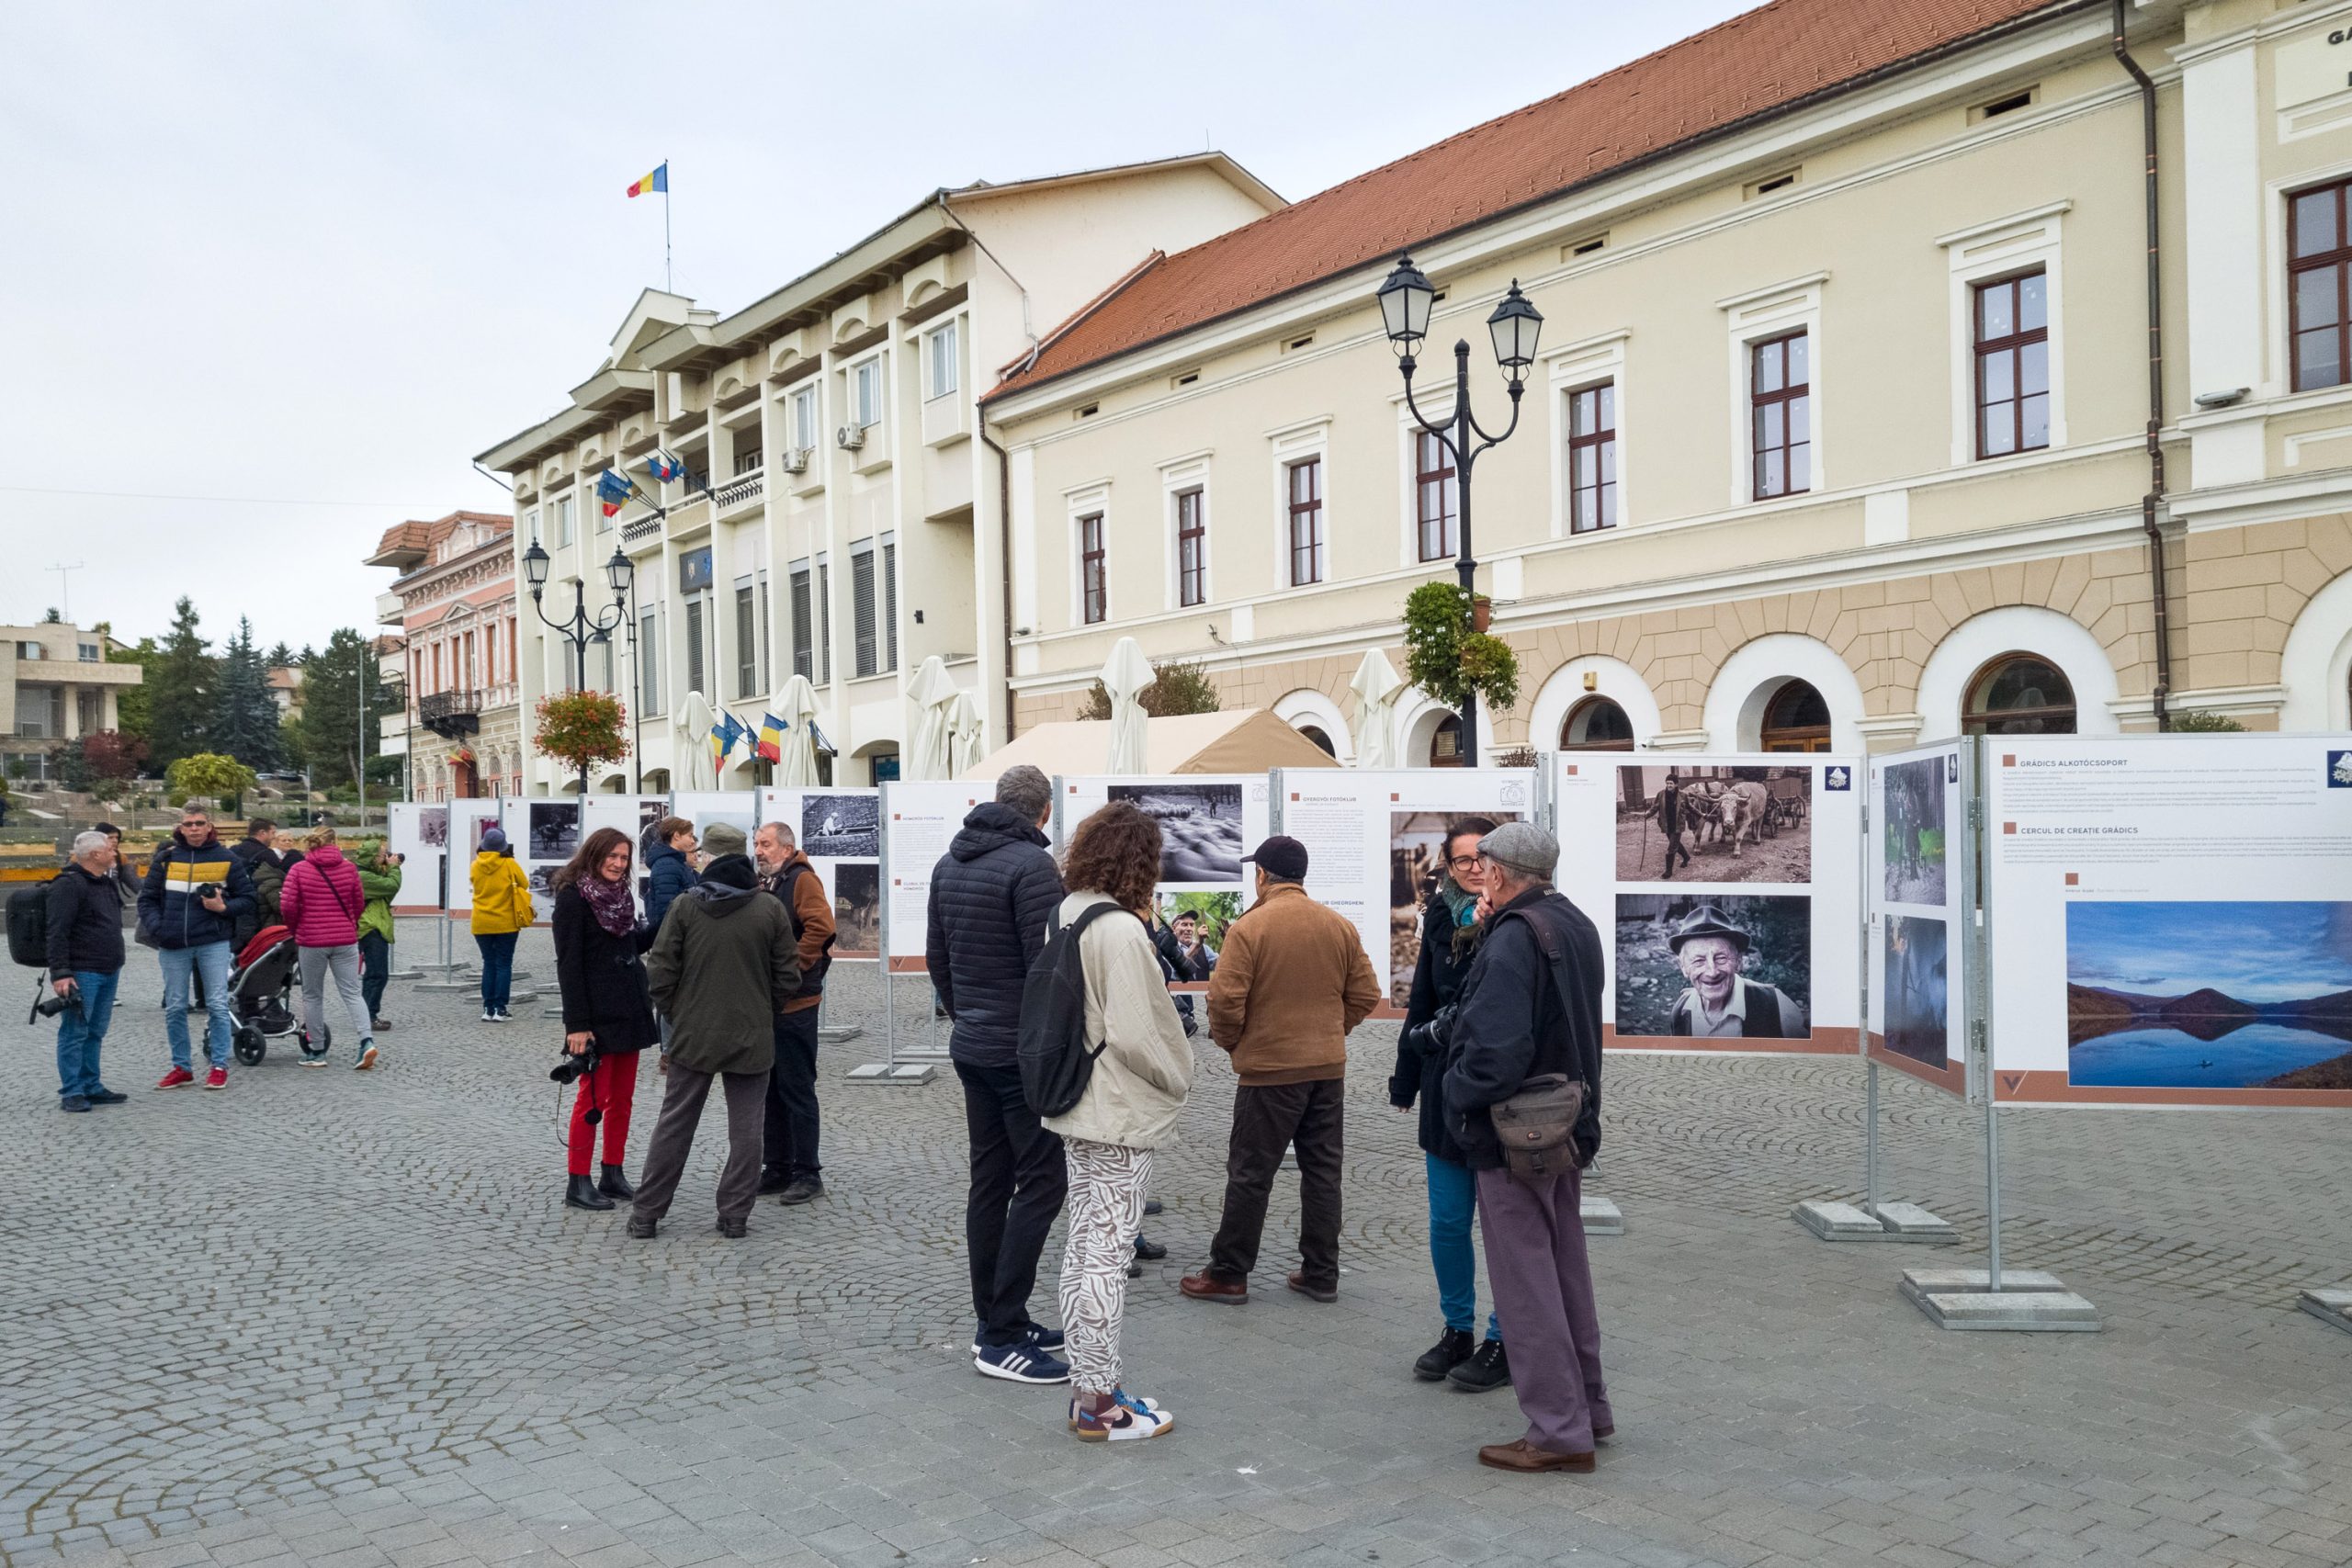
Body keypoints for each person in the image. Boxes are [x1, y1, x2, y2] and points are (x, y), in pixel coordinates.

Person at [1441, 822, 1611, 1475]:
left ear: (1502, 872)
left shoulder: (1517, 937)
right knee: (1565, 1271)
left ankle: (1560, 1429)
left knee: (1526, 1284)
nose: (1475, 870)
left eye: (1481, 863)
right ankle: (1588, 1410)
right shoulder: (1570, 922)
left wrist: (1456, 1091)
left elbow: (1494, 1050)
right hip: (1562, 1121)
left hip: (1516, 1132)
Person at [1043, 803, 1192, 1441]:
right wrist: (1179, 1075)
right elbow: (1139, 1033)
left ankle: (1088, 1385)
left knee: (1084, 1246)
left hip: (1078, 1099)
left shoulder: (1069, 909)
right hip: (1116, 1109)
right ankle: (1099, 1403)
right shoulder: (1123, 930)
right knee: (1104, 1252)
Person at [1182, 835, 1380, 1307]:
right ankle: (1321, 1273)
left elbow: (1224, 1001)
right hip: (1326, 1069)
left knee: (1251, 1173)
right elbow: (1367, 994)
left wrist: (1234, 1043)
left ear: (1263, 876)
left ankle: (1229, 1272)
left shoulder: (1250, 929)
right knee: (1323, 1172)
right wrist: (1332, 1031)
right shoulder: (1338, 925)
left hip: (1270, 1072)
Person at [926, 762, 1072, 1382]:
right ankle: (1001, 1330)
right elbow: (1048, 968)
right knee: (1042, 1181)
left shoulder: (949, 861)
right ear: (1042, 813)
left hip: (974, 1043)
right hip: (1017, 1051)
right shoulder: (1032, 866)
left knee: (990, 1179)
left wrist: (970, 1017)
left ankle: (997, 1313)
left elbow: (939, 959)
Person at [1393, 815, 1510, 1392]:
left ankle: (1504, 1336)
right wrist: (1405, 1075)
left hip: (1497, 1093)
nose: (1471, 870)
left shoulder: (1516, 919)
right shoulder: (1439, 915)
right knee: (1446, 1221)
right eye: (1461, 860)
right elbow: (1422, 998)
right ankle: (1456, 1328)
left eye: (1480, 860)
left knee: (1502, 1224)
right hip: (1444, 1086)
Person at [633, 841, 799, 1239]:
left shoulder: (686, 907)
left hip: (693, 1033)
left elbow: (659, 968)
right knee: (746, 1130)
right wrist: (764, 1010)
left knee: (674, 1124)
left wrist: (676, 1013)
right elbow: (788, 976)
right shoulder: (769, 908)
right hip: (751, 1033)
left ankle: (646, 1214)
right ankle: (735, 1215)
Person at [551, 828, 659, 1213]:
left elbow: (632, 943)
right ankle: (577, 1181)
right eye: (611, 856)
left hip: (629, 1008)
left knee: (623, 1100)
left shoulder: (621, 898)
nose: (618, 864)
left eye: (624, 858)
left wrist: (668, 920)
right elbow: (569, 965)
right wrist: (577, 1025)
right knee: (592, 1098)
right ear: (594, 856)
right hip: (595, 1016)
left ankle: (612, 1172)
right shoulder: (573, 899)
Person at [141, 805, 256, 1092]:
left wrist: (223, 907)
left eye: (199, 823)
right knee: (176, 1008)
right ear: (180, 827)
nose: (193, 828)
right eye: (188, 824)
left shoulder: (227, 858)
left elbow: (249, 899)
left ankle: (219, 1065)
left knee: (217, 1005)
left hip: (212, 942)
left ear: (209, 826)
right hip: (173, 944)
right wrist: (160, 928)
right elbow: (146, 900)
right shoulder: (166, 859)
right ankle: (182, 1067)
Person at [753, 820, 834, 1205]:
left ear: (787, 848)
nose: (759, 850)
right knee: (770, 1089)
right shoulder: (768, 882)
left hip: (797, 1003)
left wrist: (794, 967)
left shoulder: (802, 880)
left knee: (797, 1089)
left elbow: (821, 927)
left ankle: (807, 1173)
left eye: (766, 844)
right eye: (756, 843)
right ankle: (777, 1167)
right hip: (770, 1002)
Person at [279, 826, 379, 1070]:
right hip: (345, 939)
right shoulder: (349, 868)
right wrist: (348, 923)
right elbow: (358, 903)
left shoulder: (299, 869)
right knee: (353, 993)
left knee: (313, 995)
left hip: (312, 939)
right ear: (335, 843)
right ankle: (366, 1041)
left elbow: (288, 906)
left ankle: (317, 1051)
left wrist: (297, 928)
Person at [48, 829, 129, 1112]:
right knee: (75, 1032)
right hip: (82, 971)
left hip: (108, 967)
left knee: (95, 1031)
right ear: (94, 855)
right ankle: (72, 1090)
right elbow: (57, 931)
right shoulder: (68, 885)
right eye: (109, 849)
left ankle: (91, 1085)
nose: (113, 852)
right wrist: (60, 972)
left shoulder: (104, 882)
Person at [1665, 904, 1807, 1038]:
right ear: (1683, 967)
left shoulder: (1776, 1006)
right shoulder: (1681, 1010)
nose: (1712, 972)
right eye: (1698, 961)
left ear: (1738, 961)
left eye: (1721, 958)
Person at [469, 827, 533, 1022]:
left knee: (488, 963)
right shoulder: (509, 863)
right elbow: (525, 883)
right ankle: (500, 1009)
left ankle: (488, 1009)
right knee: (504, 964)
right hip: (505, 922)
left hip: (481, 921)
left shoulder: (475, 865)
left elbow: (474, 882)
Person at [231, 818, 299, 948]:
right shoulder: (267, 854)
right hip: (258, 908)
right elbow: (275, 879)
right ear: (262, 833)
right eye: (272, 833)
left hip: (235, 904)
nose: (273, 837)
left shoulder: (234, 850)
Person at [356, 841, 402, 1032]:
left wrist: (388, 867)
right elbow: (391, 887)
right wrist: (394, 868)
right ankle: (368, 1015)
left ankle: (366, 1013)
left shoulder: (369, 874)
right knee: (377, 973)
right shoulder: (363, 876)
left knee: (375, 973)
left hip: (373, 926)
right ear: (373, 857)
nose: (386, 857)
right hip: (370, 928)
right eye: (383, 854)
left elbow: (385, 895)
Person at [644, 817, 701, 932]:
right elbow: (666, 911)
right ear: (677, 836)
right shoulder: (667, 865)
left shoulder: (676, 863)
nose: (692, 841)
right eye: (689, 835)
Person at [1655, 772, 1691, 879]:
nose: (1669, 785)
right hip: (1666, 824)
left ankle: (1668, 871)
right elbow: (1655, 807)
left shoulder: (1683, 795)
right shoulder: (1661, 794)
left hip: (1677, 825)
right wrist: (1647, 814)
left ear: (1676, 784)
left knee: (1671, 848)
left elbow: (1690, 808)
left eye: (1671, 783)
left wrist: (1701, 814)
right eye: (1667, 783)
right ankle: (1686, 857)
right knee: (1675, 844)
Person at [96, 822, 141, 909]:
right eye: (110, 837)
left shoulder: (120, 858)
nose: (115, 840)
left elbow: (135, 884)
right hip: (87, 909)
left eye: (117, 837)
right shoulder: (82, 857)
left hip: (111, 906)